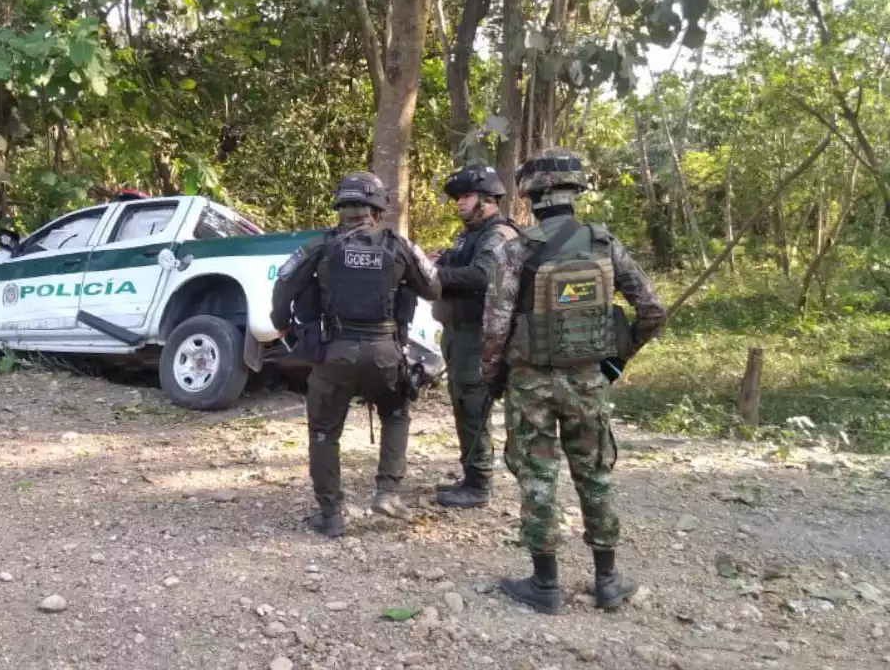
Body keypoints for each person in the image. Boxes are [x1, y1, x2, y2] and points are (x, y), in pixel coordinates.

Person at [479, 147, 666, 614]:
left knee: (538, 478)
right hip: (588, 381)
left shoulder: (515, 249)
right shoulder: (604, 244)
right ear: (576, 191)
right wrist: (617, 360)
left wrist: (491, 377)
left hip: (531, 382)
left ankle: (545, 586)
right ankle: (608, 580)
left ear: (529, 196)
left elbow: (495, 327)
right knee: (595, 475)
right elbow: (652, 311)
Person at [270, 171, 442, 538]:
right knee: (396, 415)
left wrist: (281, 323)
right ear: (377, 209)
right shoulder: (399, 246)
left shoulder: (319, 246)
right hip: (386, 355)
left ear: (340, 209)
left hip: (334, 355)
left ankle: (331, 515)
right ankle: (388, 492)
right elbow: (433, 288)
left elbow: (283, 286)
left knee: (324, 432)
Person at [431, 165, 519, 509]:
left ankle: (479, 484)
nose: (459, 204)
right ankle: (471, 474)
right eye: (458, 197)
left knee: (472, 406)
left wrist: (436, 273)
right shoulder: (472, 234)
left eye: (465, 196)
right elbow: (462, 264)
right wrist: (443, 259)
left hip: (479, 337)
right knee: (463, 404)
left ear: (488, 199)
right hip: (458, 333)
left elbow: (484, 276)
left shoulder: (497, 234)